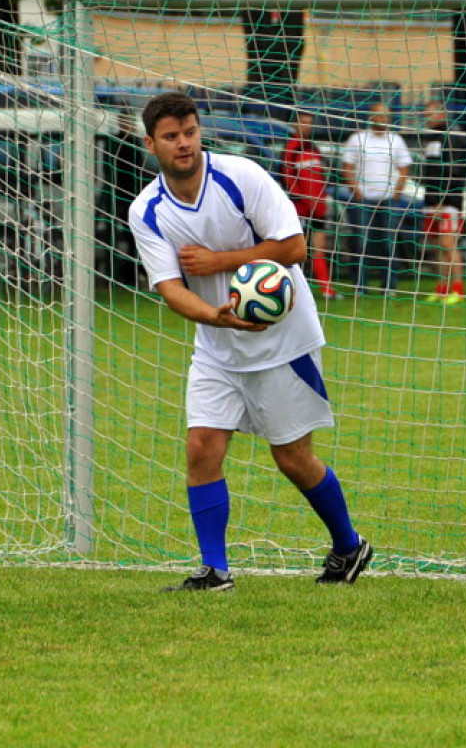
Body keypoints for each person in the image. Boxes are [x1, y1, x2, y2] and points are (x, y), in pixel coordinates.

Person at [128, 92, 373, 591]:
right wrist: (217, 319)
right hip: (217, 344)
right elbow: (172, 289)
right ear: (151, 142)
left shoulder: (241, 177)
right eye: (172, 137)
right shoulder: (147, 211)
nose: (184, 144)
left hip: (283, 343)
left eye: (190, 132)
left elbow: (295, 247)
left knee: (292, 459)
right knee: (201, 447)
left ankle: (349, 546)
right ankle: (215, 572)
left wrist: (219, 262)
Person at [341, 102, 412, 295]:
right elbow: (347, 166)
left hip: (388, 199)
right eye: (378, 115)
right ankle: (360, 287)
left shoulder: (396, 140)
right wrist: (356, 191)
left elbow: (404, 168)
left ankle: (389, 287)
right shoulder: (358, 139)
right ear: (371, 117)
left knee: (389, 243)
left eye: (385, 115)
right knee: (361, 243)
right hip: (363, 199)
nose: (382, 119)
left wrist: (396, 192)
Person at [281, 109, 340, 300]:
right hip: (301, 208)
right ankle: (291, 291)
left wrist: (321, 200)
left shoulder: (314, 148)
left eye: (310, 123)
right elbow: (288, 179)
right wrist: (304, 202)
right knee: (297, 251)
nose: (307, 127)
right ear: (295, 125)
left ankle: (326, 289)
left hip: (319, 208)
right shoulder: (291, 148)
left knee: (320, 249)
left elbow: (321, 178)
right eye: (303, 123)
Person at [419, 99, 466, 305]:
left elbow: (454, 172)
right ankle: (442, 289)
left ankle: (458, 289)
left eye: (431, 112)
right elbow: (430, 172)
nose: (426, 117)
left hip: (447, 202)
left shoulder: (452, 137)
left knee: (449, 244)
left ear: (442, 114)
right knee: (438, 247)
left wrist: (443, 200)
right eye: (425, 112)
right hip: (431, 201)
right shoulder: (431, 138)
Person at [102, 110, 149, 287]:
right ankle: (130, 274)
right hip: (121, 198)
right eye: (124, 121)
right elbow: (111, 170)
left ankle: (133, 274)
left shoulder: (136, 143)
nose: (126, 124)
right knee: (129, 239)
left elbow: (140, 170)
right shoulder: (115, 143)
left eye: (128, 120)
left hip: (134, 196)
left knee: (135, 239)